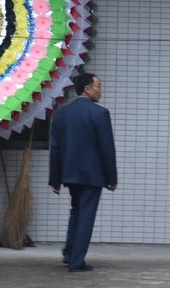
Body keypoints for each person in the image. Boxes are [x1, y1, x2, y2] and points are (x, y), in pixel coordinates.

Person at [48, 73, 118, 273]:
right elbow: (106, 148)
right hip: (92, 175)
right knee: (85, 216)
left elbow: (56, 149)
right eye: (98, 86)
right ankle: (76, 262)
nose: (100, 90)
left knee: (76, 211)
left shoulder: (62, 114)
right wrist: (111, 178)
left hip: (70, 174)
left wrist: (55, 179)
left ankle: (70, 252)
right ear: (87, 89)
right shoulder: (100, 114)